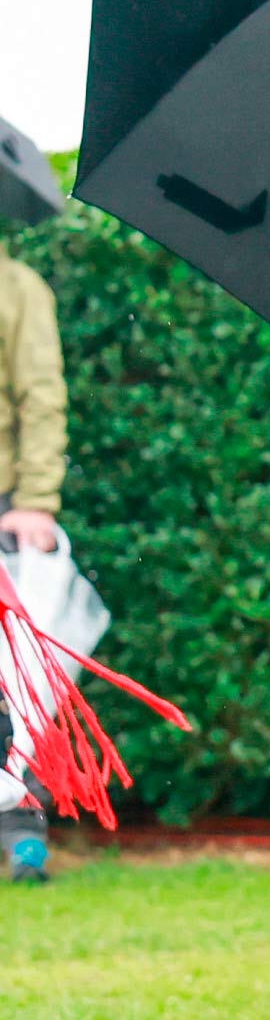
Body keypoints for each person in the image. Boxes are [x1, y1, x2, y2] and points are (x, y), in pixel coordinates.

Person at [0, 240, 66, 884]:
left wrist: (35, 502)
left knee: (13, 687)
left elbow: (40, 397)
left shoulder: (15, 287)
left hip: (2, 512)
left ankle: (23, 836)